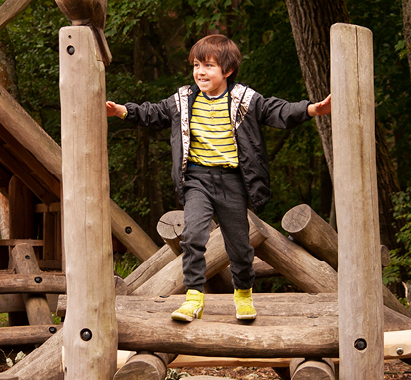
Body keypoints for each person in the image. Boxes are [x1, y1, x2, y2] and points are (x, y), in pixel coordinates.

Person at [106, 34, 331, 322]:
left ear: (227, 71)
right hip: (197, 179)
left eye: (209, 66)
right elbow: (154, 113)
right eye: (197, 65)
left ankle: (244, 296)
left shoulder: (244, 100)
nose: (200, 72)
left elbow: (278, 110)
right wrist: (122, 111)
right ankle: (193, 297)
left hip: (232, 181)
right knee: (193, 236)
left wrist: (312, 109)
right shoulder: (183, 100)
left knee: (238, 244)